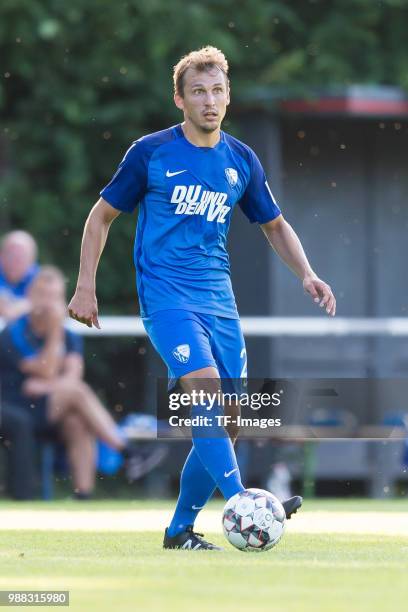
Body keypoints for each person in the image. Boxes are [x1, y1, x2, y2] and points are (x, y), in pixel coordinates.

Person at [68, 46, 336, 549]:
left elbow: (273, 225)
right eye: (198, 92)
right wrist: (86, 284)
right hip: (167, 296)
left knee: (229, 420)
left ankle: (179, 530)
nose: (209, 101)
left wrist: (308, 274)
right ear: (180, 99)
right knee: (204, 390)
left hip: (220, 302)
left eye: (217, 91)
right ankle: (244, 501)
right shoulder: (150, 153)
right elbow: (100, 217)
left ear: (228, 97)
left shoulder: (240, 160)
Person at [0, 266, 136, 499]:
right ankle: (126, 451)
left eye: (54, 297)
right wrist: (54, 332)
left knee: (77, 421)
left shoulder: (70, 336)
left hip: (52, 404)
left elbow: (73, 375)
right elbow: (46, 369)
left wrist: (48, 386)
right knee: (76, 394)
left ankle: (83, 496)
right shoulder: (14, 332)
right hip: (18, 406)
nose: (49, 303)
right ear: (31, 297)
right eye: (43, 295)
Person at [0, 231, 39, 321]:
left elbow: (54, 305)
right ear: (1, 255)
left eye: (21, 256)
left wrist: (24, 306)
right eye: (11, 255)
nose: (15, 261)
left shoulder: (40, 279)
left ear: (32, 260)